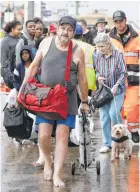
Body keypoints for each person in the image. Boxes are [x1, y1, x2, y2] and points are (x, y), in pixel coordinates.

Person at [18, 16, 89, 187]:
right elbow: (34, 67)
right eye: (63, 28)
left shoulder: (78, 50)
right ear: (57, 28)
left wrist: (85, 101)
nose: (66, 32)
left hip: (67, 98)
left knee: (62, 136)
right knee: (43, 136)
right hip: (46, 97)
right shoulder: (46, 43)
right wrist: (22, 89)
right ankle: (48, 162)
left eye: (70, 29)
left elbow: (82, 77)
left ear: (73, 33)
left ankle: (57, 174)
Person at [109, 10, 140, 143]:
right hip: (116, 81)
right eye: (116, 21)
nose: (118, 24)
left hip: (133, 80)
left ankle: (133, 130)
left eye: (120, 21)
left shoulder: (137, 38)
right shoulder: (109, 38)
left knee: (132, 107)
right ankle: (120, 134)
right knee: (117, 110)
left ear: (125, 20)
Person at [93, 33, 127, 153]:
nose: (100, 49)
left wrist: (117, 85)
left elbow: (124, 73)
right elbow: (96, 70)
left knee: (114, 113)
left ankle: (119, 140)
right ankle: (107, 144)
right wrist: (98, 77)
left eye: (102, 46)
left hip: (117, 90)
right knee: (104, 117)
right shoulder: (96, 55)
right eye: (98, 46)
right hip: (104, 91)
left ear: (108, 44)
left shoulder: (118, 54)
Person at [74, 24, 96, 105]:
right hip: (89, 82)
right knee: (86, 107)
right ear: (82, 35)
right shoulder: (91, 47)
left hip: (74, 81)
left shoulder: (69, 45)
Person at [1, 20, 22, 89]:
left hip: (20, 72)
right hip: (11, 74)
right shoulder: (5, 41)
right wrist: (9, 77)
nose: (20, 31)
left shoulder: (20, 39)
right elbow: (4, 60)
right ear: (12, 29)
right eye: (18, 29)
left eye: (21, 29)